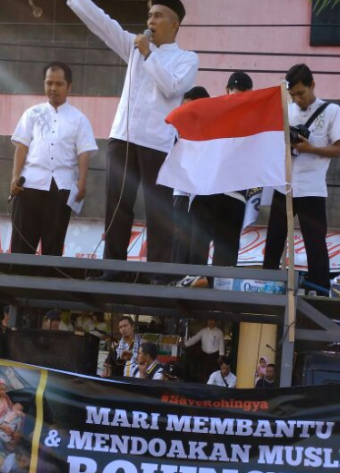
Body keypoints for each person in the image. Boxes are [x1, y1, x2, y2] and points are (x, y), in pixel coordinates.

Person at [67, 0, 198, 281]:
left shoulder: (186, 59)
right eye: (149, 15)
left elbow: (172, 87)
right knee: (117, 206)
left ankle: (159, 275)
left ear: (175, 24)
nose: (150, 21)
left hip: (157, 144)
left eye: (158, 16)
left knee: (158, 211)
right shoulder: (134, 46)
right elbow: (102, 23)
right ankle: (113, 271)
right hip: (123, 138)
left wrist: (148, 54)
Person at [262, 64, 340, 296]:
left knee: (315, 243)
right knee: (274, 240)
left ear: (312, 85)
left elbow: (338, 149)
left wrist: (311, 148)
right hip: (284, 185)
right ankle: (266, 285)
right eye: (293, 95)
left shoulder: (332, 111)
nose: (297, 99)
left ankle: (319, 290)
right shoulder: (285, 111)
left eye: (301, 93)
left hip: (312, 188)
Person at [9, 61, 98, 259]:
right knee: (21, 246)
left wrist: (82, 182)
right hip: (29, 185)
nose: (53, 88)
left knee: (53, 246)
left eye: (59, 84)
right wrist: (15, 176)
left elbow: (84, 152)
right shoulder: (32, 114)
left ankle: (49, 279)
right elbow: (21, 146)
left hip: (62, 187)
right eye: (49, 83)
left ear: (69, 86)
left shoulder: (79, 119)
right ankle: (18, 279)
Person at [183, 72, 255, 273]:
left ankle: (220, 289)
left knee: (227, 250)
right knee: (198, 246)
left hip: (235, 193)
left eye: (244, 94)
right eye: (235, 92)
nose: (238, 97)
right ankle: (194, 283)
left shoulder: (256, 119)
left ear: (251, 93)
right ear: (227, 90)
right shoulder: (211, 109)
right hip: (207, 189)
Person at [171, 86, 211, 267]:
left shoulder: (213, 127)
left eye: (191, 107)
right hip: (181, 192)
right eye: (184, 107)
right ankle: (175, 276)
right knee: (179, 237)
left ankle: (196, 277)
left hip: (203, 193)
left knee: (198, 241)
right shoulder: (177, 128)